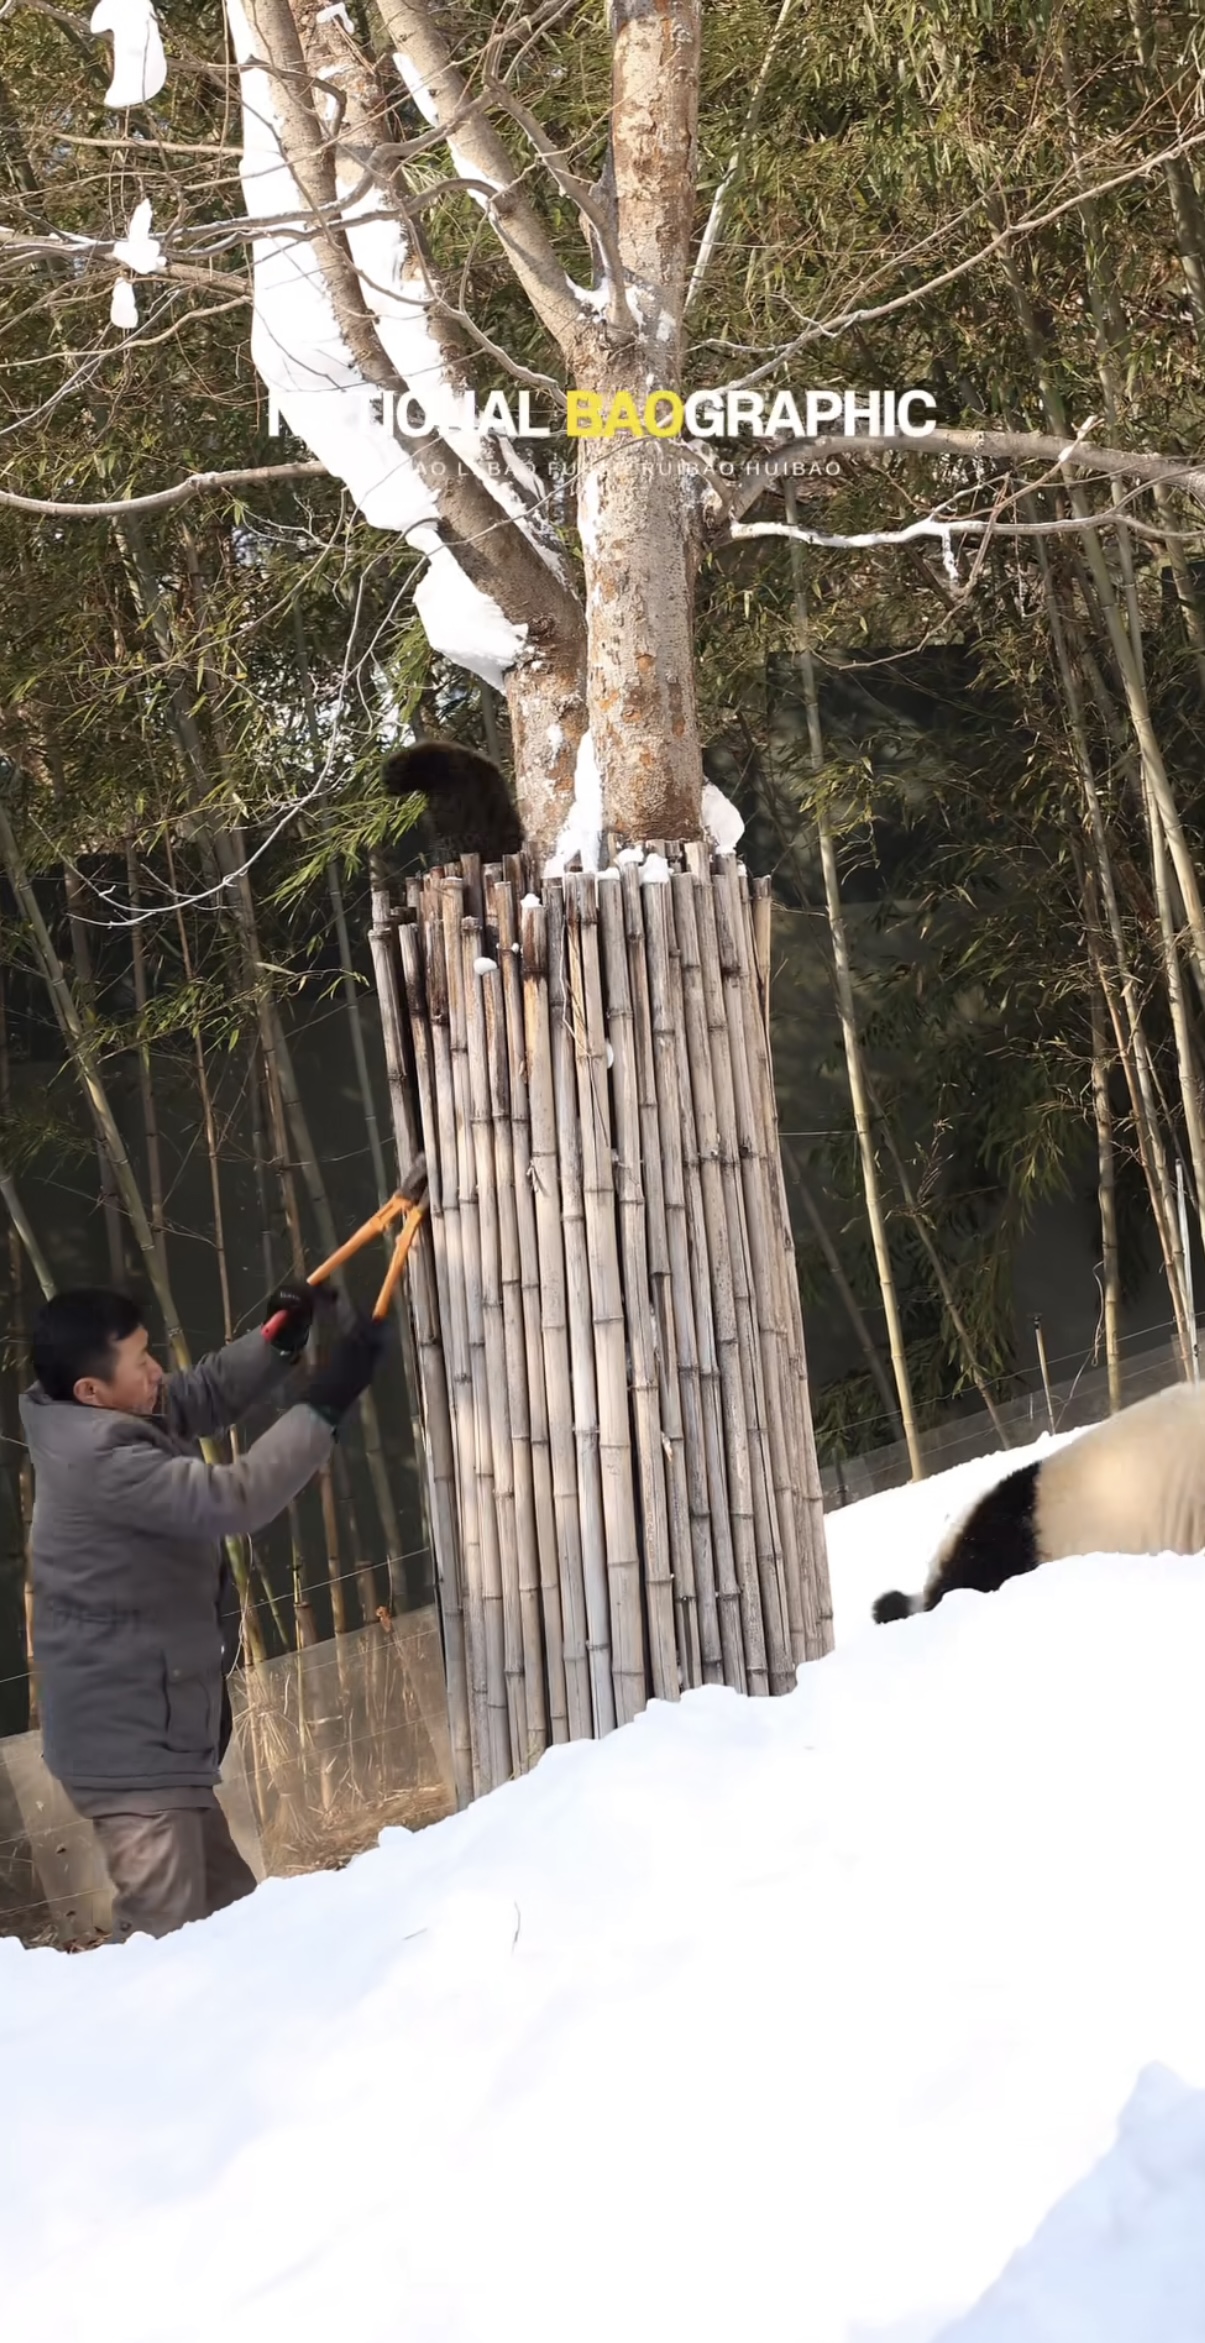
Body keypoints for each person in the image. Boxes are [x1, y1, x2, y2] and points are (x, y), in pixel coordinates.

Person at [19, 1284, 388, 1944]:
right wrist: (325, 1402)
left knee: (231, 1923)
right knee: (169, 1951)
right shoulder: (101, 1460)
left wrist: (276, 1339)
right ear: (91, 1391)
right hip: (129, 1747)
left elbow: (196, 1395)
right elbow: (236, 1497)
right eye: (139, 1360)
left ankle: (251, 2033)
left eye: (148, 1350)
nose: (156, 1367)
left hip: (151, 1730)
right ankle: (155, 2045)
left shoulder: (100, 1415)